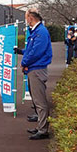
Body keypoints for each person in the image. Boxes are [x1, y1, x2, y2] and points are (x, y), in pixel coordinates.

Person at [15, 8, 52, 140]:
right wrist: (21, 52)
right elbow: (32, 50)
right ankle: (41, 126)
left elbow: (35, 52)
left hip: (36, 69)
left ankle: (43, 130)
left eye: (26, 18)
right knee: (37, 99)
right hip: (34, 68)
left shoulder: (40, 32)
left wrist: (24, 62)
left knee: (40, 101)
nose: (26, 20)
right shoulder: (38, 31)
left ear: (31, 17)